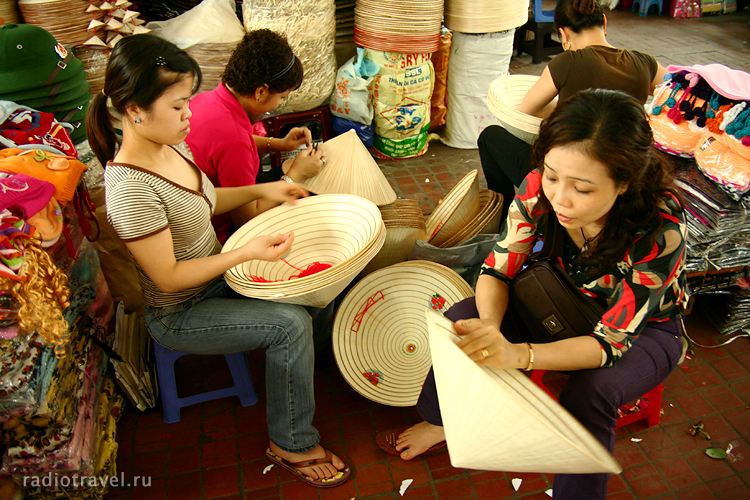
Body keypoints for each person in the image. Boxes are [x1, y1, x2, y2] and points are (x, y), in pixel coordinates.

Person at [379, 89, 688, 500]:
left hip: (645, 330)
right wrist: (490, 330)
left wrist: (519, 353)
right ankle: (444, 422)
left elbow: (609, 344)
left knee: (590, 395)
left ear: (624, 183)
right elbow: (498, 270)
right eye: (553, 175)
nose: (560, 197)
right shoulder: (537, 189)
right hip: (556, 297)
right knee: (461, 322)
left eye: (582, 188)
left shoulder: (659, 228)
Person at [86, 34, 350, 488]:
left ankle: (319, 369)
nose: (190, 115)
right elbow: (167, 279)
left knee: (315, 279)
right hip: (181, 310)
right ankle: (291, 441)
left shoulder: (169, 145)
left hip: (213, 272)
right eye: (179, 105)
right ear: (134, 110)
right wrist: (243, 254)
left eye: (189, 101)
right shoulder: (129, 188)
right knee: (290, 325)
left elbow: (207, 199)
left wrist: (265, 189)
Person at [479, 0, 668, 223]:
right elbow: (675, 89)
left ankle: (502, 219)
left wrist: (564, 110)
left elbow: (528, 109)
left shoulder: (567, 62)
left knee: (491, 136)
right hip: (618, 168)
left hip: (576, 169)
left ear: (563, 34)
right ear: (604, 22)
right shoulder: (644, 62)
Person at [186, 29, 324, 244]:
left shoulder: (205, 100)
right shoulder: (234, 139)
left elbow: (228, 147)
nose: (280, 104)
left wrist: (280, 144)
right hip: (220, 231)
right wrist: (295, 174)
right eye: (282, 97)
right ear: (261, 91)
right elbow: (245, 217)